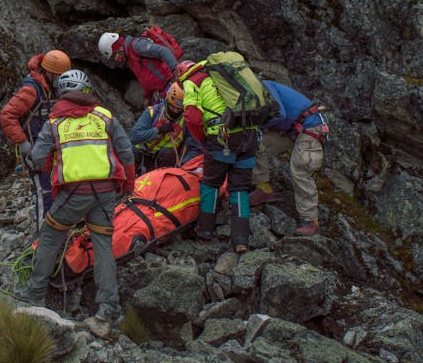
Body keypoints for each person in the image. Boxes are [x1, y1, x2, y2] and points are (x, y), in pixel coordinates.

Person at [17, 69, 135, 338]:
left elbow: (37, 157)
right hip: (105, 192)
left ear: (61, 94)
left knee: (49, 237)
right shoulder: (105, 116)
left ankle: (35, 296)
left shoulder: (54, 122)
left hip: (72, 195)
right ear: (87, 90)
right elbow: (126, 152)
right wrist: (129, 185)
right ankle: (107, 307)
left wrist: (50, 165)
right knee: (103, 244)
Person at [177, 60, 259, 253]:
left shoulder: (192, 81)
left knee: (211, 183)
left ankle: (205, 231)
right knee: (240, 187)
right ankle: (241, 239)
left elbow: (192, 116)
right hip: (250, 134)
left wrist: (203, 140)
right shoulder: (224, 73)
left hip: (222, 137)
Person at [0, 49, 71, 235]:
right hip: (35, 152)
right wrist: (23, 143)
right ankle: (42, 240)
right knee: (44, 193)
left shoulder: (52, 88)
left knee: (58, 190)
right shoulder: (32, 90)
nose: (62, 79)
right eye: (60, 75)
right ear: (51, 72)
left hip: (52, 150)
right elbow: (7, 115)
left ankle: (58, 233)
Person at [251, 80, 329, 236]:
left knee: (301, 169)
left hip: (311, 127)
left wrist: (262, 124)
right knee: (257, 142)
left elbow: (280, 114)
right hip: (294, 129)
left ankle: (310, 222)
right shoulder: (260, 88)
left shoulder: (264, 86)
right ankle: (263, 188)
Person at [129, 82, 199, 172]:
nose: (175, 111)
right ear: (167, 101)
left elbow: (194, 148)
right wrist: (158, 130)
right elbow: (133, 137)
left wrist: (184, 164)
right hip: (143, 155)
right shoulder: (152, 112)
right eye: (172, 107)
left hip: (165, 163)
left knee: (168, 153)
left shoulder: (187, 122)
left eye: (179, 109)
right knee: (130, 152)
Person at [97, 32, 178, 104]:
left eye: (115, 55)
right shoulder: (130, 58)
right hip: (162, 92)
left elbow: (163, 51)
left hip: (171, 84)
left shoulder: (137, 46)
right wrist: (147, 97)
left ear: (118, 46)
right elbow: (145, 77)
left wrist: (176, 70)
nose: (116, 59)